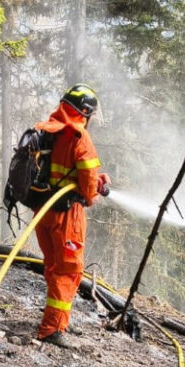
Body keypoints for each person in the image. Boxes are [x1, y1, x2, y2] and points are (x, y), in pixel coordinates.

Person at [33, 84, 110, 349]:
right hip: (67, 217)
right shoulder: (79, 136)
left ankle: (59, 319)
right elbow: (88, 187)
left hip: (44, 211)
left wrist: (93, 181)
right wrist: (92, 193)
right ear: (85, 111)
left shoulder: (48, 129)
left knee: (54, 266)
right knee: (69, 270)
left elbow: (61, 169)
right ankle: (52, 328)